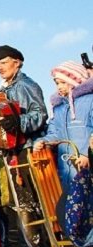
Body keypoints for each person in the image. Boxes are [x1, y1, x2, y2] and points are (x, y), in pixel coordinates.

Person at [0, 45, 48, 247]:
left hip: (27, 147)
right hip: (8, 150)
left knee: (31, 199)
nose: (0, 68)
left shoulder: (26, 85)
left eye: (4, 63)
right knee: (15, 201)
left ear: (17, 62)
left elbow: (40, 114)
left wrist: (19, 123)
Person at [34, 61, 92, 194]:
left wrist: (87, 154)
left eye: (63, 82)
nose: (59, 86)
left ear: (75, 80)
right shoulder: (59, 108)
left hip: (87, 164)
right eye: (57, 83)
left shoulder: (89, 101)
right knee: (72, 208)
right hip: (67, 168)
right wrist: (44, 142)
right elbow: (55, 132)